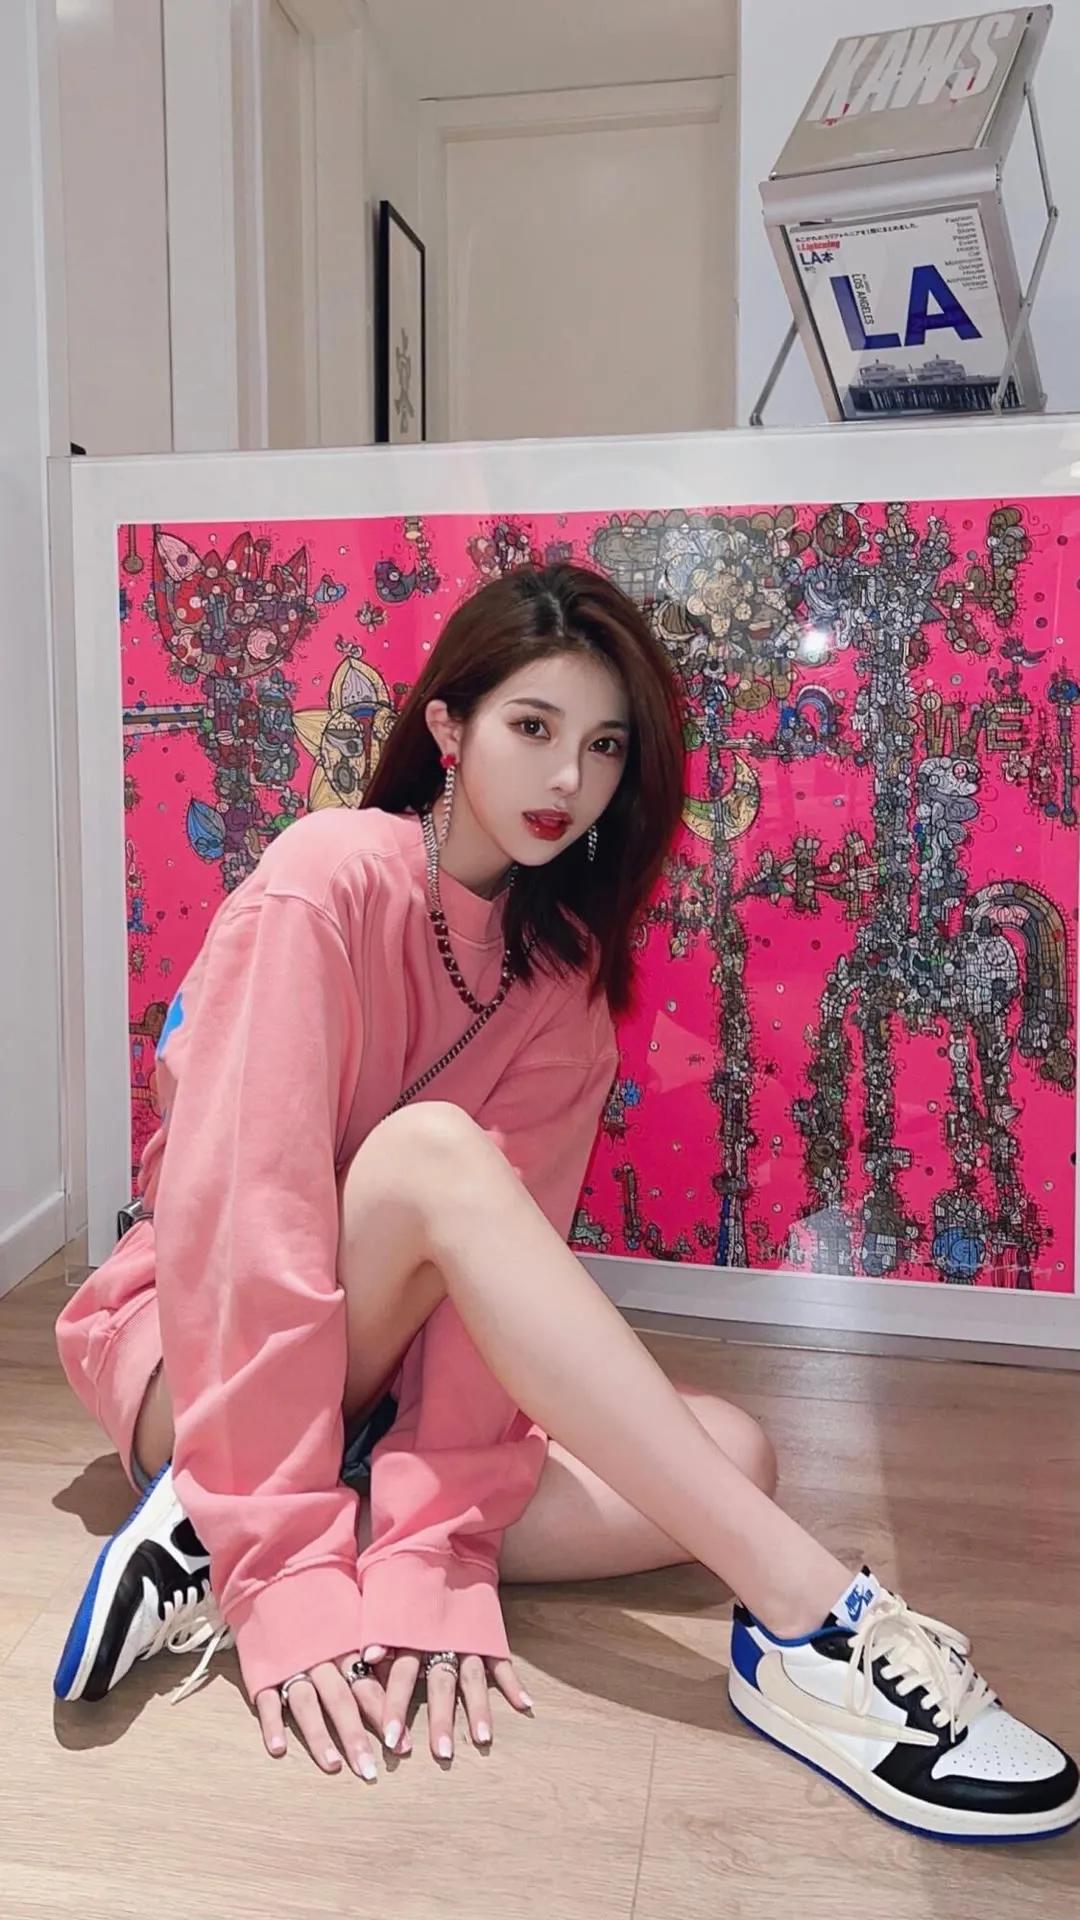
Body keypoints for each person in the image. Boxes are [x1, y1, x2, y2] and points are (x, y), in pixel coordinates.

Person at [54, 563, 1077, 1843]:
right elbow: (239, 1222)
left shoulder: (561, 974)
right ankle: (815, 1626)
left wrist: (432, 1557)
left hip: (361, 1391)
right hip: (205, 1346)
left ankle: (209, 1533)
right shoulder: (330, 874)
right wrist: (287, 1568)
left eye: (602, 747)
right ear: (448, 726)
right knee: (431, 1156)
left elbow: (484, 1312)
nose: (565, 778)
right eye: (532, 728)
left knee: (733, 1455)